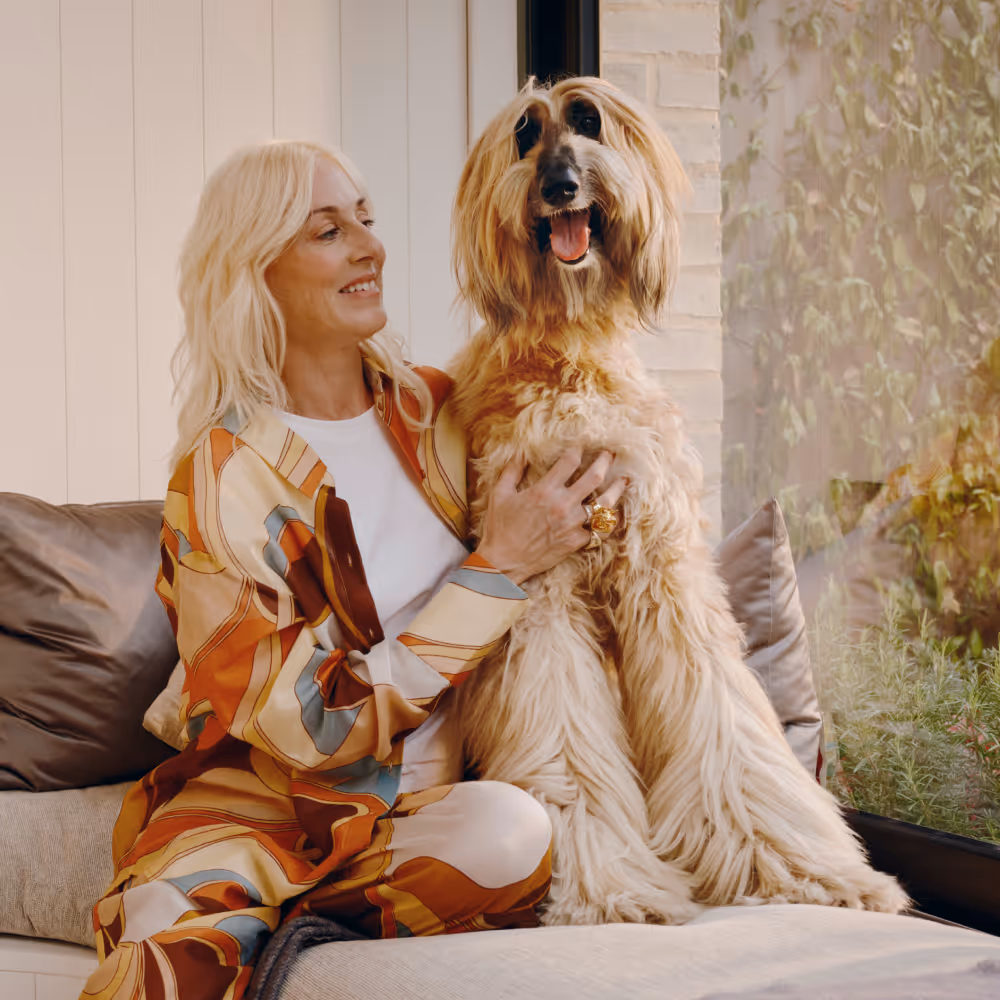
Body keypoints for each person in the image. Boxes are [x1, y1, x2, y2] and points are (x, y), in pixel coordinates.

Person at [80, 140, 626, 1000]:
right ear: (254, 269)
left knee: (517, 833)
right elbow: (312, 730)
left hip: (421, 812)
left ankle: (276, 921)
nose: (370, 246)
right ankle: (220, 905)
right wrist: (497, 570)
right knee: (161, 954)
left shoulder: (444, 411)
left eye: (365, 220)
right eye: (327, 231)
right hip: (268, 809)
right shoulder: (221, 475)